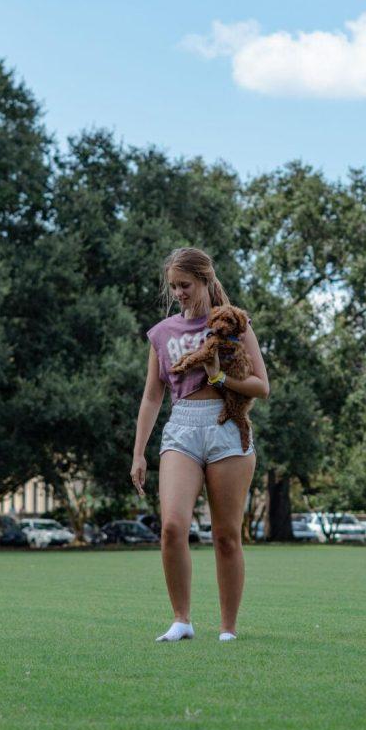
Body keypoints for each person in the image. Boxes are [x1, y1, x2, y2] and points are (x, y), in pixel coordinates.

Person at [131, 248, 270, 643]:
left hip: (227, 429)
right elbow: (152, 397)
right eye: (174, 286)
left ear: (206, 281)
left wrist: (221, 378)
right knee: (173, 527)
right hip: (182, 430)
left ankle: (228, 628)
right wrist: (139, 452)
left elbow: (262, 386)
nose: (179, 292)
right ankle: (182, 620)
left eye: (185, 285)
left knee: (226, 535)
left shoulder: (236, 325)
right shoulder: (162, 333)